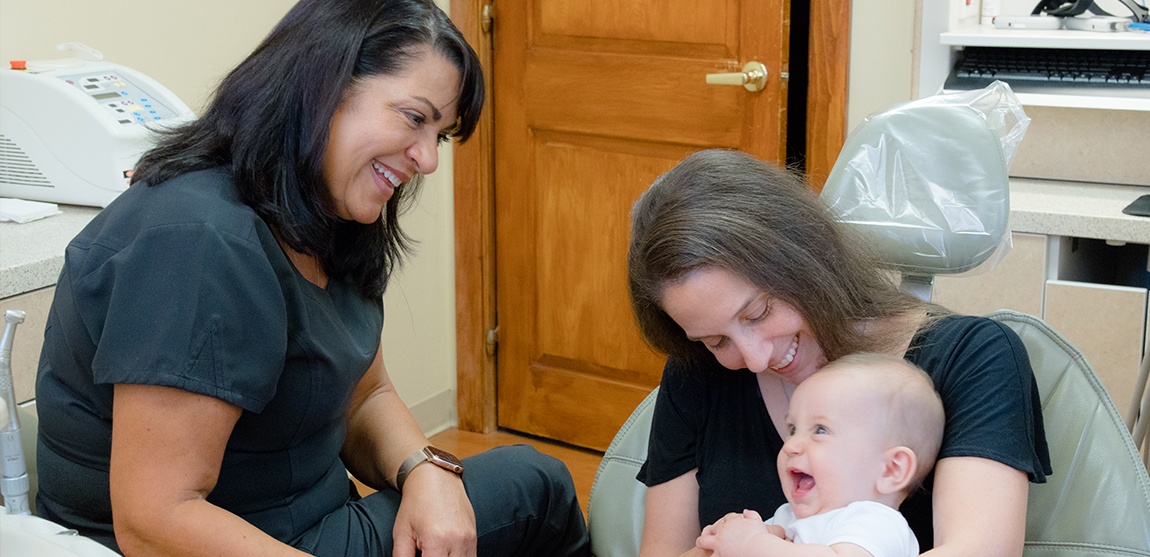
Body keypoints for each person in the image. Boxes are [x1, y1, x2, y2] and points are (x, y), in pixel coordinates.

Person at [34, 1, 590, 556]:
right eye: (415, 118)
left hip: (306, 517)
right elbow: (156, 522)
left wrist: (428, 472)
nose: (427, 160)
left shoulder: (329, 212)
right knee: (534, 486)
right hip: (230, 541)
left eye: (439, 136)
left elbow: (364, 395)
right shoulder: (200, 241)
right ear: (321, 85)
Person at [626, 148, 1051, 557]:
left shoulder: (974, 358)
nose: (754, 359)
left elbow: (980, 551)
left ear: (803, 257)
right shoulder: (698, 373)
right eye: (716, 341)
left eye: (759, 312)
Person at [695, 353, 945, 557]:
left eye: (821, 430)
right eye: (792, 429)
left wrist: (752, 545)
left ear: (891, 470)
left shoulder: (877, 523)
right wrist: (728, 537)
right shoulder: (786, 518)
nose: (791, 445)